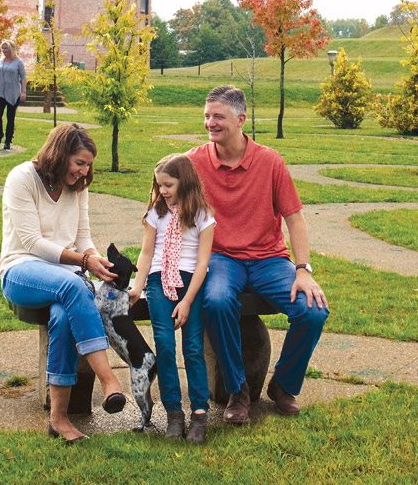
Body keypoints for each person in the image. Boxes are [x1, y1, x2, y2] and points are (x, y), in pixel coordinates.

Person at [187, 85, 329, 425]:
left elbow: (294, 218)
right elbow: (167, 208)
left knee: (313, 310)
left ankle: (283, 384)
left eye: (218, 116)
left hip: (268, 259)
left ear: (240, 119)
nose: (210, 123)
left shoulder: (269, 161)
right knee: (217, 302)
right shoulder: (193, 162)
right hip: (221, 258)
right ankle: (238, 390)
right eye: (207, 116)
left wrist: (303, 269)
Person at [0, 123, 125, 443]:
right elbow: (31, 242)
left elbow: (82, 237)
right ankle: (108, 378)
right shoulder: (22, 178)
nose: (84, 172)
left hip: (65, 277)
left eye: (88, 165)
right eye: (79, 163)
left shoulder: (77, 186)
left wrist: (97, 262)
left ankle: (59, 420)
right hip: (21, 270)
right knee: (73, 288)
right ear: (59, 154)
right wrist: (83, 262)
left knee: (62, 316)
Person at [128, 154, 215, 443]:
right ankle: (174, 414)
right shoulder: (157, 212)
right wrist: (138, 287)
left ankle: (199, 414)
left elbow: (202, 263)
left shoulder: (202, 214)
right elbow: (146, 251)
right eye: (159, 185)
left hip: (191, 282)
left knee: (192, 348)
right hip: (157, 280)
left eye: (168, 184)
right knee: (164, 346)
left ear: (184, 181)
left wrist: (188, 300)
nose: (163, 190)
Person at [0, 39, 27, 150]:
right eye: (2, 48)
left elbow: (23, 77)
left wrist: (23, 92)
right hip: (0, 94)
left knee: (10, 118)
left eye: (6, 48)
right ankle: (0, 134)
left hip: (13, 94)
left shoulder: (18, 62)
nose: (3, 50)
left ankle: (8, 141)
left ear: (11, 49)